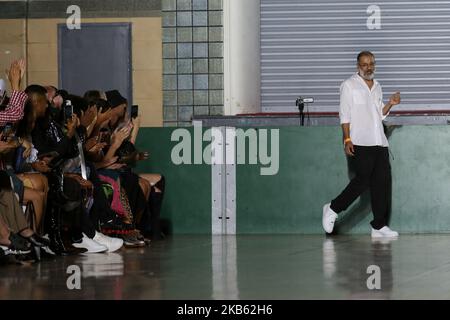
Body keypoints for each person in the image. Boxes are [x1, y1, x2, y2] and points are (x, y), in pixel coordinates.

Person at [322, 51, 401, 238]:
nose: (369, 67)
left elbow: (379, 114)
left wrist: (390, 103)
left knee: (381, 183)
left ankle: (378, 226)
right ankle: (333, 208)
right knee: (363, 180)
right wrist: (347, 139)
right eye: (365, 64)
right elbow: (345, 114)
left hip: (379, 142)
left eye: (371, 63)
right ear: (358, 66)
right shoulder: (349, 85)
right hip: (359, 141)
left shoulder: (377, 86)